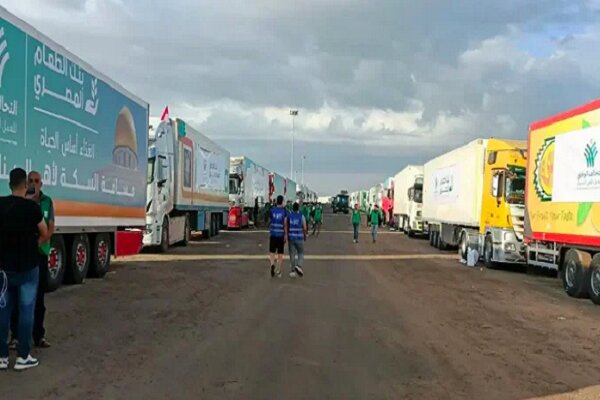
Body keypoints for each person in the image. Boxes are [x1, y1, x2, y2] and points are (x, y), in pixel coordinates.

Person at [0, 168, 49, 371]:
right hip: (28, 267)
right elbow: (45, 233)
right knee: (26, 310)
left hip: (4, 269)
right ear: (25, 185)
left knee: (3, 311)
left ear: (9, 184)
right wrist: (33, 245)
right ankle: (23, 356)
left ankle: (2, 357)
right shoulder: (32, 208)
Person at [10, 171, 54, 350]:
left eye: (37, 181)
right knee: (17, 298)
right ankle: (16, 336)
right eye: (30, 181)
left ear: (41, 184)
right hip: (21, 256)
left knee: (38, 299)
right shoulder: (21, 204)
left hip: (39, 255)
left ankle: (39, 335)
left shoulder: (47, 202)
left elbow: (50, 229)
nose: (34, 184)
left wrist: (36, 244)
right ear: (25, 184)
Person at [285, 202, 307, 278]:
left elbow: (287, 226)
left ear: (292, 208)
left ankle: (292, 271)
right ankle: (299, 265)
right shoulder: (301, 216)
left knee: (292, 254)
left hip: (291, 237)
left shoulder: (289, 216)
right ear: (298, 208)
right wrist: (305, 236)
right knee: (301, 253)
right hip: (299, 237)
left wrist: (286, 235)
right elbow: (304, 228)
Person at [268, 195, 287, 278]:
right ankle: (278, 270)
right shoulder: (284, 211)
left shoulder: (272, 211)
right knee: (280, 253)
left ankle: (272, 264)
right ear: (282, 201)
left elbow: (270, 221)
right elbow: (285, 224)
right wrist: (286, 235)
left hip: (273, 234)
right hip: (280, 234)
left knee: (272, 252)